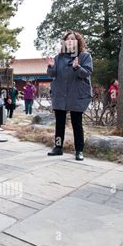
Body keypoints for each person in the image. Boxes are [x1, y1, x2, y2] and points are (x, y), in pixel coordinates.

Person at [46, 30, 93, 161]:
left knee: (76, 123)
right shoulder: (58, 58)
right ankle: (58, 147)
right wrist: (50, 66)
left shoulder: (85, 56)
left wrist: (77, 67)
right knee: (59, 123)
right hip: (60, 93)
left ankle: (79, 150)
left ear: (78, 41)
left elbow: (86, 73)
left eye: (72, 39)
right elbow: (52, 74)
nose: (69, 41)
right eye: (67, 39)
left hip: (76, 94)